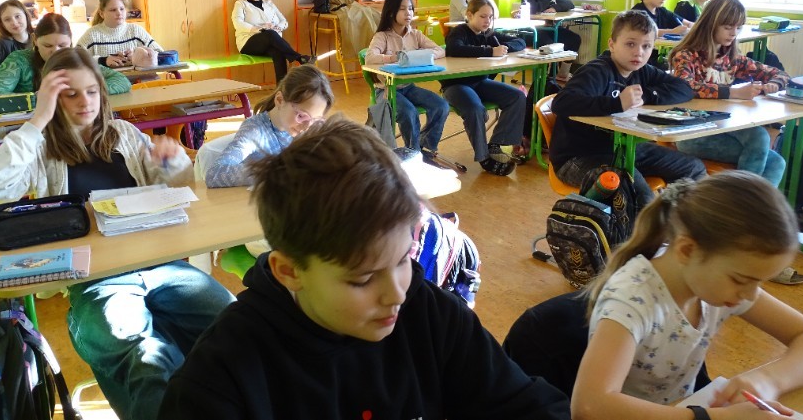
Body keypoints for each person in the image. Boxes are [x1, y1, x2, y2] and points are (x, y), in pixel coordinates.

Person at [158, 116, 572, 419]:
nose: (397, 294)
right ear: (290, 272)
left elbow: (523, 405)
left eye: (403, 259)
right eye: (362, 279)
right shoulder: (223, 374)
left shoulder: (430, 314)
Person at [0, 47, 233, 420]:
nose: (85, 102)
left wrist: (172, 161)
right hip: (97, 280)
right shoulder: (40, 145)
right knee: (148, 360)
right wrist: (37, 120)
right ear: (52, 99)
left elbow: (177, 189)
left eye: (92, 91)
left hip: (161, 265)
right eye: (70, 94)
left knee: (234, 324)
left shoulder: (124, 134)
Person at [570, 172, 803, 420]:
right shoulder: (632, 300)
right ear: (687, 251)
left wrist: (768, 380)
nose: (750, 295)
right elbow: (590, 406)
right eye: (741, 280)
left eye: (758, 282)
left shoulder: (716, 282)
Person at [550, 10, 706, 207]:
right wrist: (616, 104)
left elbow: (684, 89)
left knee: (693, 168)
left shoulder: (642, 71)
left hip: (625, 150)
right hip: (579, 157)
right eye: (630, 44)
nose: (638, 52)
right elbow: (562, 103)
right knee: (637, 194)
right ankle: (646, 225)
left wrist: (646, 95)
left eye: (646, 46)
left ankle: (672, 220)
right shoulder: (597, 71)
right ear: (612, 45)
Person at [669, 0, 788, 186]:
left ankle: (749, 205)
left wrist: (774, 84)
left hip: (725, 127)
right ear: (710, 24)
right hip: (691, 132)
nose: (734, 33)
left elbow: (779, 73)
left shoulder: (731, 58)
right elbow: (686, 87)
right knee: (759, 139)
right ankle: (738, 200)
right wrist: (734, 93)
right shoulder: (686, 55)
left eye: (738, 27)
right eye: (727, 27)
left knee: (776, 162)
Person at [206, 64, 333, 187]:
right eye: (301, 116)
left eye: (316, 120)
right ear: (279, 100)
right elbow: (215, 174)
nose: (306, 127)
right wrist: (276, 172)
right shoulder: (255, 131)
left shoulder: (312, 129)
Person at [443, 0, 528, 176]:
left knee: (517, 97)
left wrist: (504, 47)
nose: (487, 21)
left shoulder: (489, 34)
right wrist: (490, 51)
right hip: (456, 85)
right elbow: (454, 49)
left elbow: (520, 41)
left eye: (490, 17)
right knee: (475, 108)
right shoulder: (459, 31)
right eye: (482, 16)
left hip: (480, 82)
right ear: (469, 15)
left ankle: (497, 143)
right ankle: (484, 158)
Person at [364, 0, 449, 153]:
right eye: (403, 9)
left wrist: (423, 55)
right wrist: (392, 57)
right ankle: (413, 152)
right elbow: (370, 57)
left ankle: (424, 146)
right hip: (386, 90)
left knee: (441, 106)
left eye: (410, 8)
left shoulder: (415, 34)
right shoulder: (382, 36)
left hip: (408, 87)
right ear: (391, 12)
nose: (408, 13)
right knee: (409, 113)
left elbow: (440, 50)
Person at [0, 13, 131, 96]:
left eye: (62, 46)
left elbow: (121, 81)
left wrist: (83, 92)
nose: (55, 51)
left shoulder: (78, 59)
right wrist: (41, 97)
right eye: (47, 45)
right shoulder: (18, 60)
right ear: (35, 40)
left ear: (71, 41)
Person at [518, 0, 591, 83]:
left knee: (574, 39)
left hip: (552, 28)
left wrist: (555, 8)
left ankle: (562, 74)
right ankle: (544, 78)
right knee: (549, 45)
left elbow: (569, 4)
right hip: (536, 30)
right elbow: (532, 8)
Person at [231, 0, 311, 83]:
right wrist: (259, 29)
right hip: (248, 43)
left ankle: (282, 87)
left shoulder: (269, 3)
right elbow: (237, 23)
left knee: (278, 52)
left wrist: (279, 27)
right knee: (270, 34)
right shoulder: (241, 4)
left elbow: (284, 21)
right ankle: (299, 58)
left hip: (271, 41)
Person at [76, 0, 163, 67]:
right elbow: (74, 60)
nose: (119, 13)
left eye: (122, 9)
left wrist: (138, 57)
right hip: (108, 80)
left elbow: (162, 55)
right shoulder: (92, 35)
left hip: (141, 79)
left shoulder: (136, 31)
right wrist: (103, 60)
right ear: (102, 14)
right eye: (113, 10)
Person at [632, 0, 692, 67]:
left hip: (658, 58)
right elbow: (648, 32)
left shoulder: (662, 11)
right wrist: (673, 31)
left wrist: (693, 28)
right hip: (642, 59)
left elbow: (687, 23)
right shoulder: (637, 12)